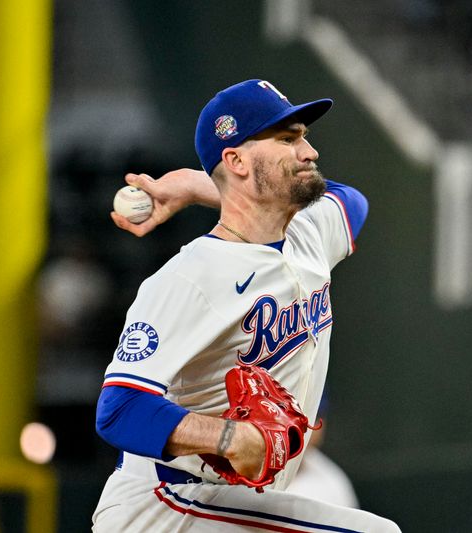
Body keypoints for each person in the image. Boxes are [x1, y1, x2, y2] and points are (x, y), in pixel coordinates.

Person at [92, 79, 401, 532]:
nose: (308, 152)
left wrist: (203, 185)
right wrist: (231, 437)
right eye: (287, 139)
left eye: (304, 137)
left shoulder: (310, 237)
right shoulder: (190, 277)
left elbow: (352, 202)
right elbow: (119, 410)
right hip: (163, 505)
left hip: (222, 504)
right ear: (235, 160)